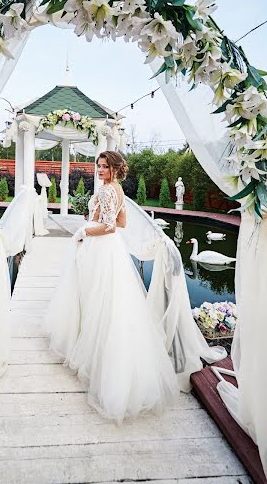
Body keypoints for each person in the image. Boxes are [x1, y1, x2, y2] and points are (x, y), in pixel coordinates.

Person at [45, 151, 180, 423]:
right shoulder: (118, 190)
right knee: (108, 299)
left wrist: (83, 231)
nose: (100, 170)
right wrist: (94, 223)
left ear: (115, 168)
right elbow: (122, 223)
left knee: (95, 296)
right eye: (99, 166)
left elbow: (108, 226)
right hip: (111, 250)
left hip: (100, 247)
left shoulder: (108, 190)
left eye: (105, 166)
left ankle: (96, 354)